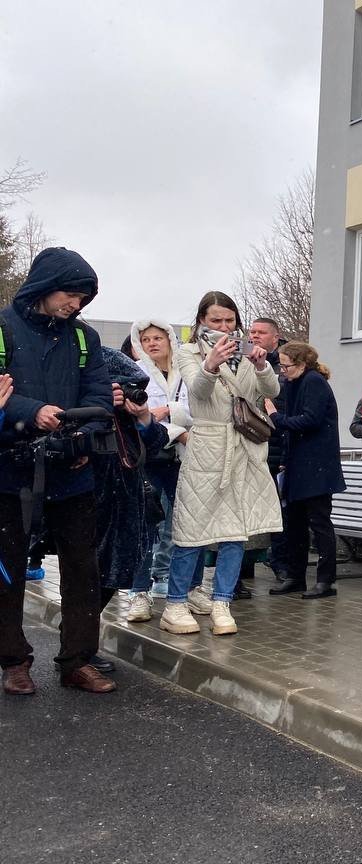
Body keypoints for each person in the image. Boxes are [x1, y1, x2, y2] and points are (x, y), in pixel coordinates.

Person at [0, 247, 116, 695]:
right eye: (71, 293)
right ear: (45, 288)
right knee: (7, 569)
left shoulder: (83, 338)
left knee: (83, 570)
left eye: (84, 297)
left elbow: (101, 400)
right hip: (11, 471)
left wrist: (77, 433)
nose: (77, 304)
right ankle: (13, 660)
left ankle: (77, 660)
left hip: (72, 470)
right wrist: (34, 412)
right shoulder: (4, 330)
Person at [160, 291, 282, 637]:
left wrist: (261, 364)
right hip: (207, 447)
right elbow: (198, 394)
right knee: (191, 531)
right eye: (216, 320)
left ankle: (221, 602)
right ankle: (175, 603)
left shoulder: (245, 354)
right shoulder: (188, 351)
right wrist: (211, 364)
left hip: (243, 449)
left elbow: (272, 390)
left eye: (230, 321)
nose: (224, 327)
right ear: (202, 321)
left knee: (235, 532)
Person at [93, 348, 170, 627]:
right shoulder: (88, 401)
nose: (130, 393)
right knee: (86, 571)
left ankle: (82, 641)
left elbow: (156, 442)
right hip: (89, 498)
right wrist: (100, 403)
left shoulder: (129, 415)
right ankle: (78, 645)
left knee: (117, 569)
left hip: (126, 500)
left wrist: (144, 417)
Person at [123, 319, 191, 621]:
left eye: (158, 337)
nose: (152, 343)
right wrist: (175, 427)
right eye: (146, 339)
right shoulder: (137, 374)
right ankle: (139, 593)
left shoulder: (186, 372)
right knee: (145, 526)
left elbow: (198, 410)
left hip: (183, 458)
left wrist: (168, 413)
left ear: (169, 339)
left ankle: (188, 589)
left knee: (188, 527)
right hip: (148, 458)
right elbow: (138, 416)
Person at [267, 341, 346, 599]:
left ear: (300, 364)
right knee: (295, 523)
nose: (282, 371)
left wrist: (275, 417)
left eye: (286, 365)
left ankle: (326, 581)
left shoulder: (314, 382)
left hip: (317, 466)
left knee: (319, 522)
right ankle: (295, 576)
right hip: (298, 464)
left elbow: (309, 420)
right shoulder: (293, 383)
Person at [248, 316, 288, 585]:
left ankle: (281, 565)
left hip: (276, 449)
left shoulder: (285, 365)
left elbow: (281, 405)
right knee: (247, 511)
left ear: (275, 338)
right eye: (252, 332)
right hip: (249, 445)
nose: (255, 336)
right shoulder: (241, 360)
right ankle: (244, 569)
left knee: (277, 514)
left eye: (261, 332)